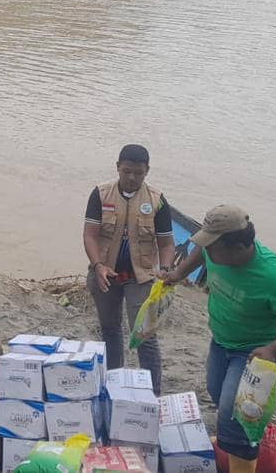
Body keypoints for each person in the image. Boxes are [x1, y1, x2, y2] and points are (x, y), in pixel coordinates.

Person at [163, 205, 276, 473]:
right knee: (218, 393)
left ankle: (241, 451)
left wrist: (272, 349)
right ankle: (244, 439)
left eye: (213, 247)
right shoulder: (215, 251)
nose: (208, 251)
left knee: (235, 416)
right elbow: (200, 252)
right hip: (222, 342)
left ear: (238, 247)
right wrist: (178, 273)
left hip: (259, 353)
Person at [82, 144, 175, 395]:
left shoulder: (157, 200)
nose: (131, 178)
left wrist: (165, 269)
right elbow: (90, 235)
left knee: (144, 336)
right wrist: (98, 265)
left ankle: (153, 393)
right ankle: (112, 385)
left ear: (147, 171)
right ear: (117, 168)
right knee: (110, 331)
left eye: (138, 173)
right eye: (126, 172)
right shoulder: (100, 195)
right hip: (105, 274)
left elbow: (166, 243)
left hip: (141, 277)